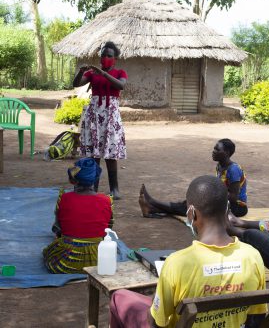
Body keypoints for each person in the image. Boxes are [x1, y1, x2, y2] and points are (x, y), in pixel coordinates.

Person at [110, 175, 267, 328]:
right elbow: (257, 315)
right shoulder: (252, 256)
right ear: (227, 210)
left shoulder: (176, 263)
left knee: (120, 297)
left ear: (192, 213)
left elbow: (156, 323)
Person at [139, 138, 249, 218]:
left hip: (237, 208)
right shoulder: (220, 166)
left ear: (227, 153)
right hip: (223, 202)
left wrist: (211, 196)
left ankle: (152, 203)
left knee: (195, 208)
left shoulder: (233, 170)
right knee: (189, 204)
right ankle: (151, 208)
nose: (213, 151)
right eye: (214, 149)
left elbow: (234, 197)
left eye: (217, 149)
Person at [73, 41, 127, 200]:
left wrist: (103, 74)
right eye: (103, 55)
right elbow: (76, 84)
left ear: (115, 58)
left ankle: (114, 189)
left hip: (111, 116)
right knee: (94, 154)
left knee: (110, 155)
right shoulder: (91, 73)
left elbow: (121, 86)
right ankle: (92, 188)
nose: (105, 58)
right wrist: (80, 72)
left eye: (109, 55)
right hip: (94, 115)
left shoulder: (120, 73)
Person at [43, 157, 113, 274]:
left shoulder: (64, 198)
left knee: (48, 252)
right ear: (95, 178)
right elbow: (108, 229)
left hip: (66, 262)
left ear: (74, 179)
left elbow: (58, 229)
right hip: (99, 261)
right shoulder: (107, 200)